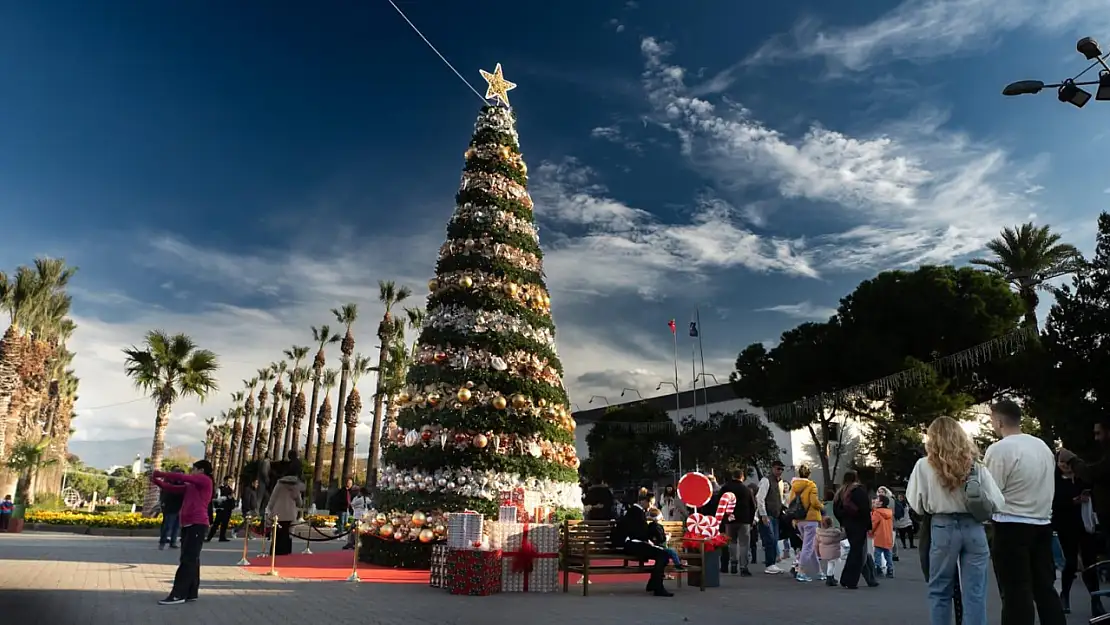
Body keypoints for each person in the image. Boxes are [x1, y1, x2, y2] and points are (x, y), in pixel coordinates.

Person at [906, 416, 1004, 625]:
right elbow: (998, 502)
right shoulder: (975, 466)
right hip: (974, 528)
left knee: (940, 590)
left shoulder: (923, 466)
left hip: (942, 527)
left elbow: (916, 504)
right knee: (975, 594)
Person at [983, 400, 1066, 625]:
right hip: (1041, 523)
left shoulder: (1000, 449)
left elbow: (990, 493)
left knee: (1015, 593)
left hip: (1011, 524)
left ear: (999, 421)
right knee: (1045, 588)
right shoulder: (1042, 447)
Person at [151, 459, 214, 606]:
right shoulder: (193, 486)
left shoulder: (204, 480)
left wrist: (162, 473)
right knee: (192, 558)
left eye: (194, 468)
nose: (191, 471)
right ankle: (192, 592)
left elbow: (183, 477)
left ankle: (178, 594)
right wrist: (157, 481)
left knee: (188, 560)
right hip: (188, 524)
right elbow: (173, 489)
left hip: (197, 524)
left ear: (201, 470)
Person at [1053, 449, 1103, 615]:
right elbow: (1055, 502)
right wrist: (1073, 501)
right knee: (1070, 562)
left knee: (1090, 563)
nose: (1065, 467)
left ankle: (1096, 600)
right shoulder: (1055, 480)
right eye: (1062, 463)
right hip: (1065, 525)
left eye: (1068, 463)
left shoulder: (1081, 477)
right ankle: (1064, 595)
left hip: (1084, 525)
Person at [613, 489, 671, 597]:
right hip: (634, 544)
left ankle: (653, 583)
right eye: (650, 503)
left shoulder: (634, 511)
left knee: (662, 554)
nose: (651, 507)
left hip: (633, 544)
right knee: (663, 555)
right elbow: (640, 533)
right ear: (643, 501)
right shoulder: (637, 512)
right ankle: (657, 586)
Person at [834, 470, 879, 589]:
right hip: (859, 525)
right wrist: (869, 526)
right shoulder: (858, 490)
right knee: (857, 553)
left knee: (855, 551)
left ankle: (848, 579)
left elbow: (836, 509)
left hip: (848, 525)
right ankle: (850, 580)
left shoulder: (841, 492)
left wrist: (843, 521)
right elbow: (865, 509)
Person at [785, 464, 823, 582]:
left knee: (808, 546)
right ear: (809, 474)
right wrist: (822, 506)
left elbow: (790, 502)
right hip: (811, 518)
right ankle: (801, 571)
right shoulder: (811, 485)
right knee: (808, 546)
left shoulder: (794, 486)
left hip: (799, 519)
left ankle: (819, 572)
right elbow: (814, 502)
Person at [719, 469, 755, 576]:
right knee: (744, 544)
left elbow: (720, 503)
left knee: (732, 542)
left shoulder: (725, 488)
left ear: (733, 476)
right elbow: (753, 506)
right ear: (742, 477)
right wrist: (751, 520)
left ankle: (733, 563)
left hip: (729, 520)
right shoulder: (747, 490)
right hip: (744, 520)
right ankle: (743, 567)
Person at [756, 460, 787, 574]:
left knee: (774, 540)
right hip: (768, 515)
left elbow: (780, 498)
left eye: (781, 469)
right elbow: (760, 498)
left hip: (775, 514)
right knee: (770, 539)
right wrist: (763, 514)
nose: (780, 471)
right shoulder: (766, 481)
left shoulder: (780, 482)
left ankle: (772, 563)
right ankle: (770, 564)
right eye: (778, 469)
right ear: (773, 468)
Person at [266, 474, 304, 556]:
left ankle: (274, 552)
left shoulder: (279, 484)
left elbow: (273, 498)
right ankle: (285, 552)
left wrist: (269, 509)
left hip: (277, 513)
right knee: (287, 535)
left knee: (277, 535)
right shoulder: (295, 486)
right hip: (290, 514)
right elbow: (299, 502)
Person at [158, 468, 185, 550]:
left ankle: (173, 542)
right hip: (170, 507)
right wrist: (163, 503)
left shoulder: (182, 483)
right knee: (168, 526)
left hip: (180, 507)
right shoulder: (169, 483)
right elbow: (165, 495)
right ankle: (162, 542)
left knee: (176, 526)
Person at [817, 516, 846, 586]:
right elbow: (842, 536)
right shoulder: (835, 532)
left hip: (824, 552)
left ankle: (829, 578)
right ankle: (833, 577)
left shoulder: (819, 532)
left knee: (830, 564)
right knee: (837, 563)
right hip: (834, 552)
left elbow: (817, 542)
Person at [871, 494, 895, 578]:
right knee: (888, 554)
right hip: (888, 536)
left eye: (877, 499)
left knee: (877, 554)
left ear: (881, 503)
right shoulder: (889, 513)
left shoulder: (877, 513)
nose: (875, 501)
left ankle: (878, 568)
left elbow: (873, 524)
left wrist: (870, 532)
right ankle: (890, 569)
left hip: (879, 536)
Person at [206, 476, 236, 542]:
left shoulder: (230, 490)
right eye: (228, 481)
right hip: (221, 509)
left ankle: (222, 537)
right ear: (224, 481)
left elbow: (232, 499)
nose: (229, 483)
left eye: (230, 481)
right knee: (216, 524)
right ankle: (209, 537)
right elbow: (217, 499)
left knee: (225, 524)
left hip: (228, 509)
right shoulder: (220, 489)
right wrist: (227, 497)